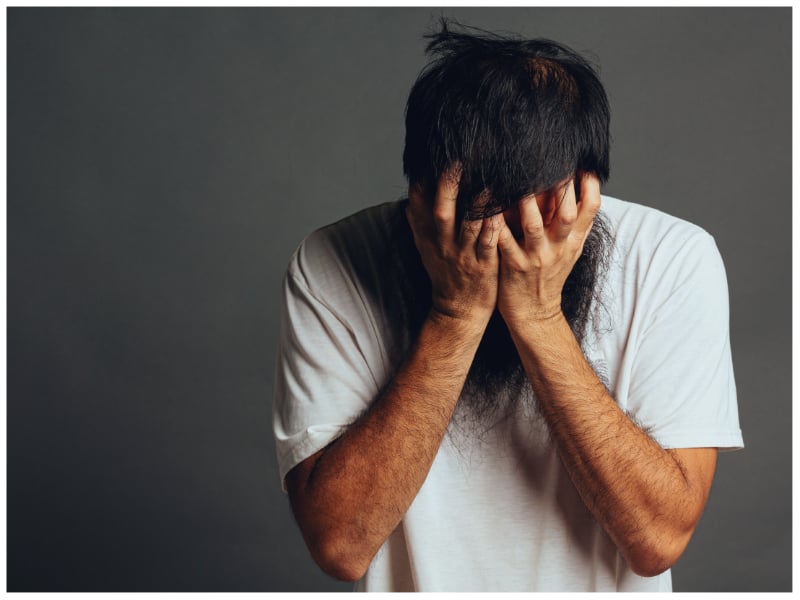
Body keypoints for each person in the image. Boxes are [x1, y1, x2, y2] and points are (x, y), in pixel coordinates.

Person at [272, 21, 743, 592]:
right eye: (473, 210)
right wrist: (455, 314)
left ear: (581, 188)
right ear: (421, 193)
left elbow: (658, 541)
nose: (499, 239)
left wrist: (540, 319)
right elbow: (340, 546)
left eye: (528, 211)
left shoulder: (674, 258)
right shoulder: (329, 262)